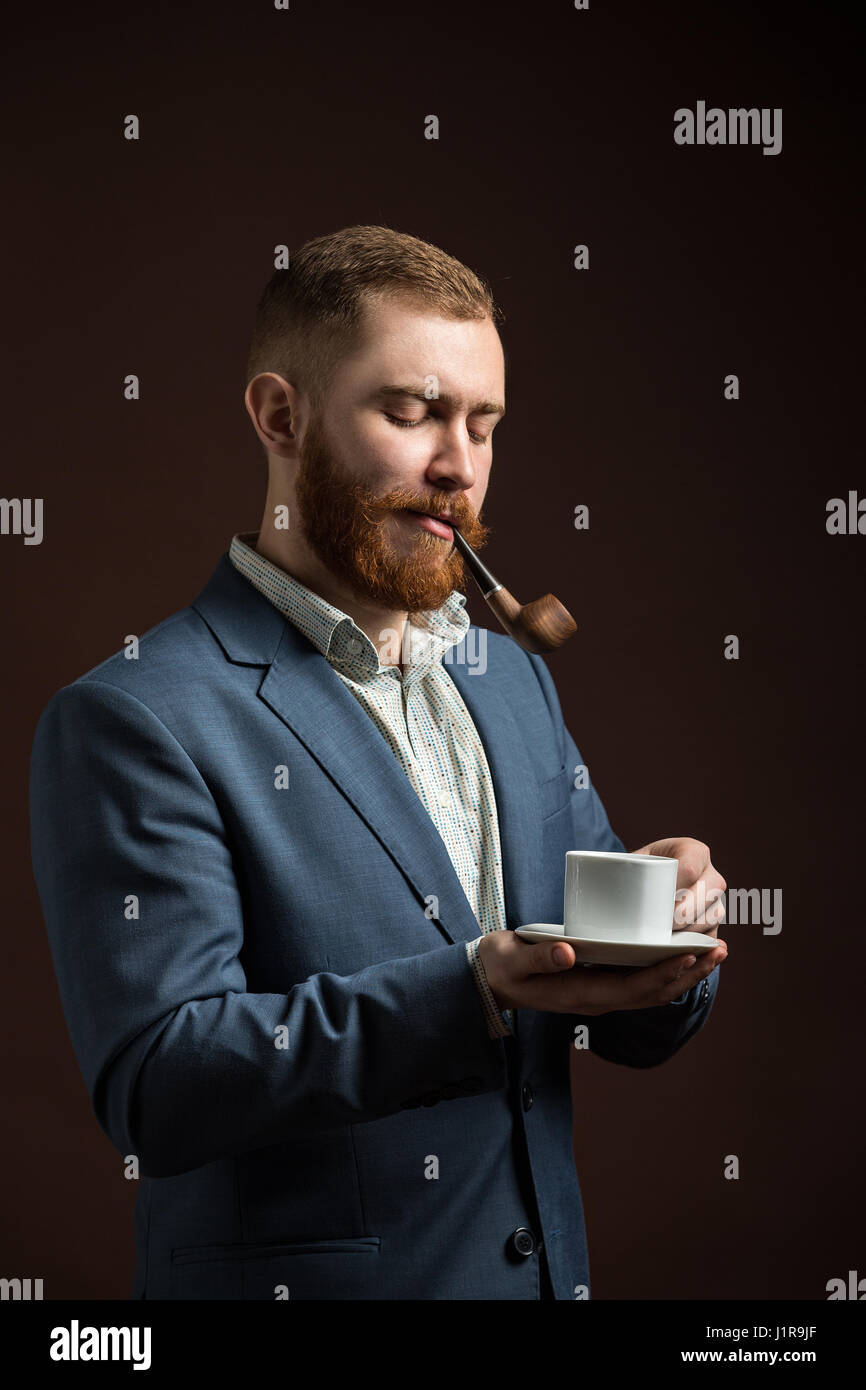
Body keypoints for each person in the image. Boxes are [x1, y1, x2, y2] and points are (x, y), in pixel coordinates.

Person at [29, 225, 728, 1301]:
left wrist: (661, 938)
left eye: (482, 424)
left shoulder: (509, 681)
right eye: (410, 414)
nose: (457, 466)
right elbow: (160, 1085)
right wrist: (470, 992)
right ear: (279, 416)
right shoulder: (135, 715)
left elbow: (601, 1011)